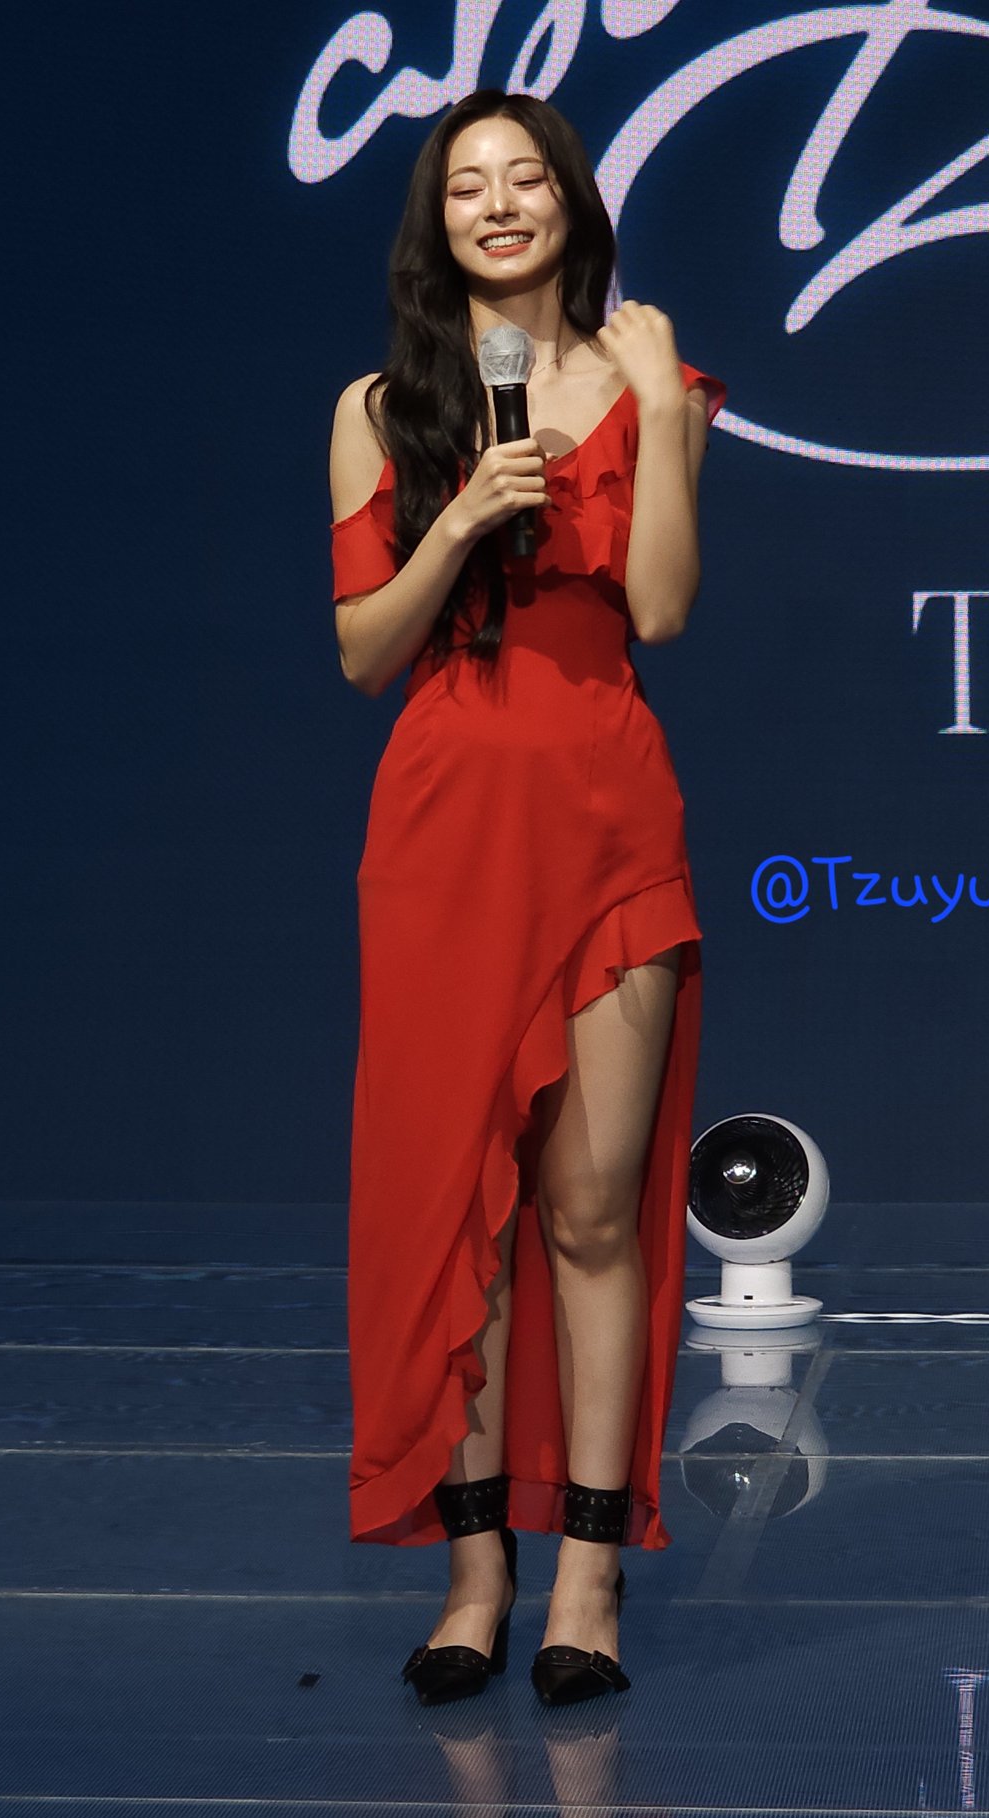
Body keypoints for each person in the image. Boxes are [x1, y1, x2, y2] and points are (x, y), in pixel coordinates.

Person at [329, 87, 725, 1707]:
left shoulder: (652, 377)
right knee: (464, 1215)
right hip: (444, 828)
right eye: (466, 186)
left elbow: (665, 610)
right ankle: (475, 1575)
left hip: (608, 820)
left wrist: (660, 412)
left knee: (590, 1206)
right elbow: (364, 651)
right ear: (437, 226)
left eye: (525, 178)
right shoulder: (381, 407)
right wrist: (461, 526)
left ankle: (589, 1580)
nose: (498, 204)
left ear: (572, 201)